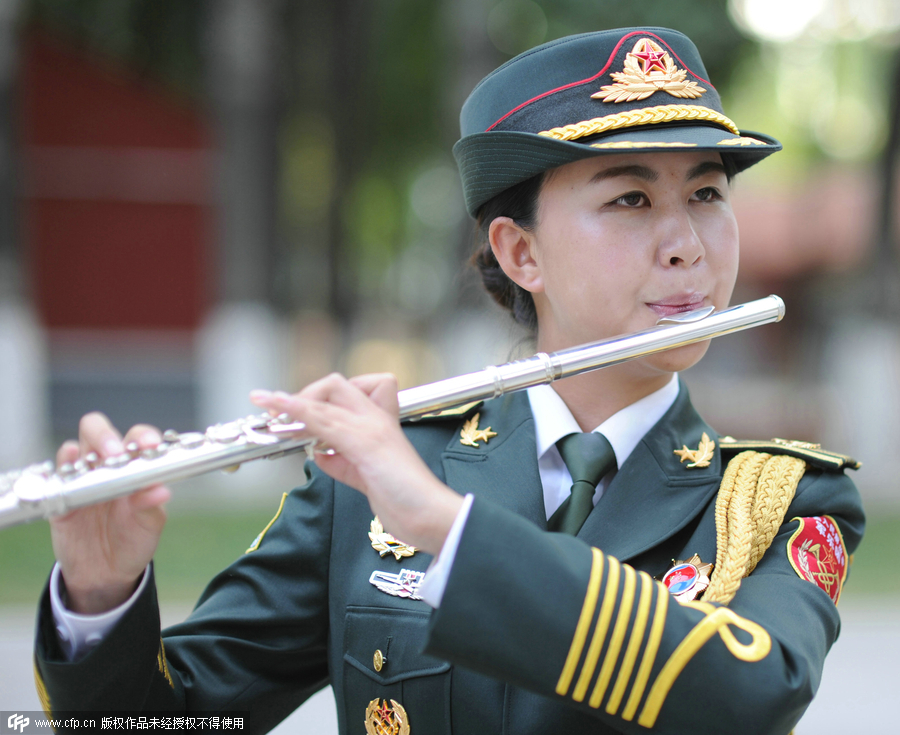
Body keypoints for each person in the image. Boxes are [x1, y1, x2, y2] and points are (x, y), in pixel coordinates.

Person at [35, 27, 864, 735]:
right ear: (520, 252)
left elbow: (754, 690)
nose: (688, 243)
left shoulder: (777, 501)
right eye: (631, 200)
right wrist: (99, 596)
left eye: (708, 192)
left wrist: (442, 525)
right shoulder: (369, 488)